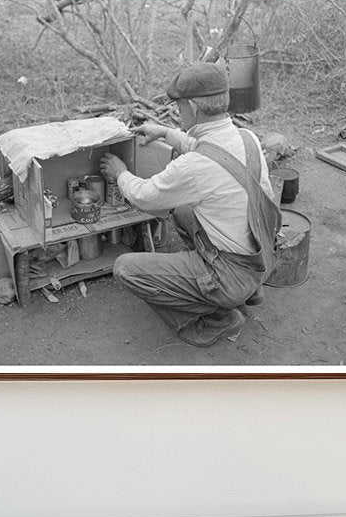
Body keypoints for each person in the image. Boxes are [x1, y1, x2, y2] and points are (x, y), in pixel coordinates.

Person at [99, 62, 281, 348]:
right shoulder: (248, 139)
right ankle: (247, 291)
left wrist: (120, 173)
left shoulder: (194, 167)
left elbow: (145, 195)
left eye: (181, 105)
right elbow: (208, 149)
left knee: (125, 269)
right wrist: (164, 132)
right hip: (260, 259)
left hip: (228, 273)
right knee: (185, 212)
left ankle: (213, 318)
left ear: (194, 107)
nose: (180, 111)